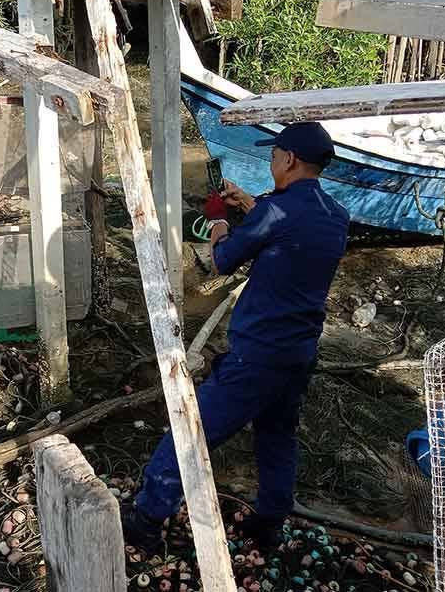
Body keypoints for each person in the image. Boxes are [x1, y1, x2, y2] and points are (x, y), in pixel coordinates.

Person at [122, 121, 350, 551]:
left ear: (290, 160)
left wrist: (219, 223)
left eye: (273, 157)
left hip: (257, 356)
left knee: (194, 429)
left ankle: (147, 518)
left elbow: (224, 260)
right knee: (278, 435)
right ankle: (270, 523)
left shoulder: (274, 212)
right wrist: (251, 206)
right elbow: (289, 239)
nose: (271, 164)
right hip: (299, 353)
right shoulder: (336, 217)